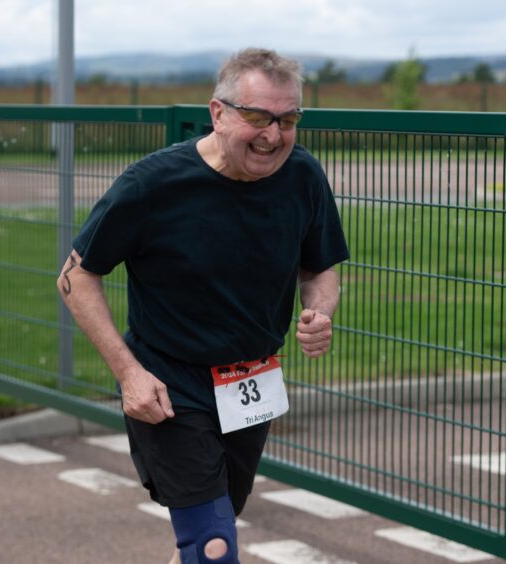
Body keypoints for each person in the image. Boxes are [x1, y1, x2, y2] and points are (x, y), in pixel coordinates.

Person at [57, 47, 349, 564]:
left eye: (287, 119)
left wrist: (320, 311)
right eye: (257, 116)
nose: (272, 134)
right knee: (211, 545)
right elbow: (77, 276)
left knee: (217, 527)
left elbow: (320, 267)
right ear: (218, 113)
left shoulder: (303, 176)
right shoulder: (153, 185)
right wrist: (129, 375)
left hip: (250, 382)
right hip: (169, 382)